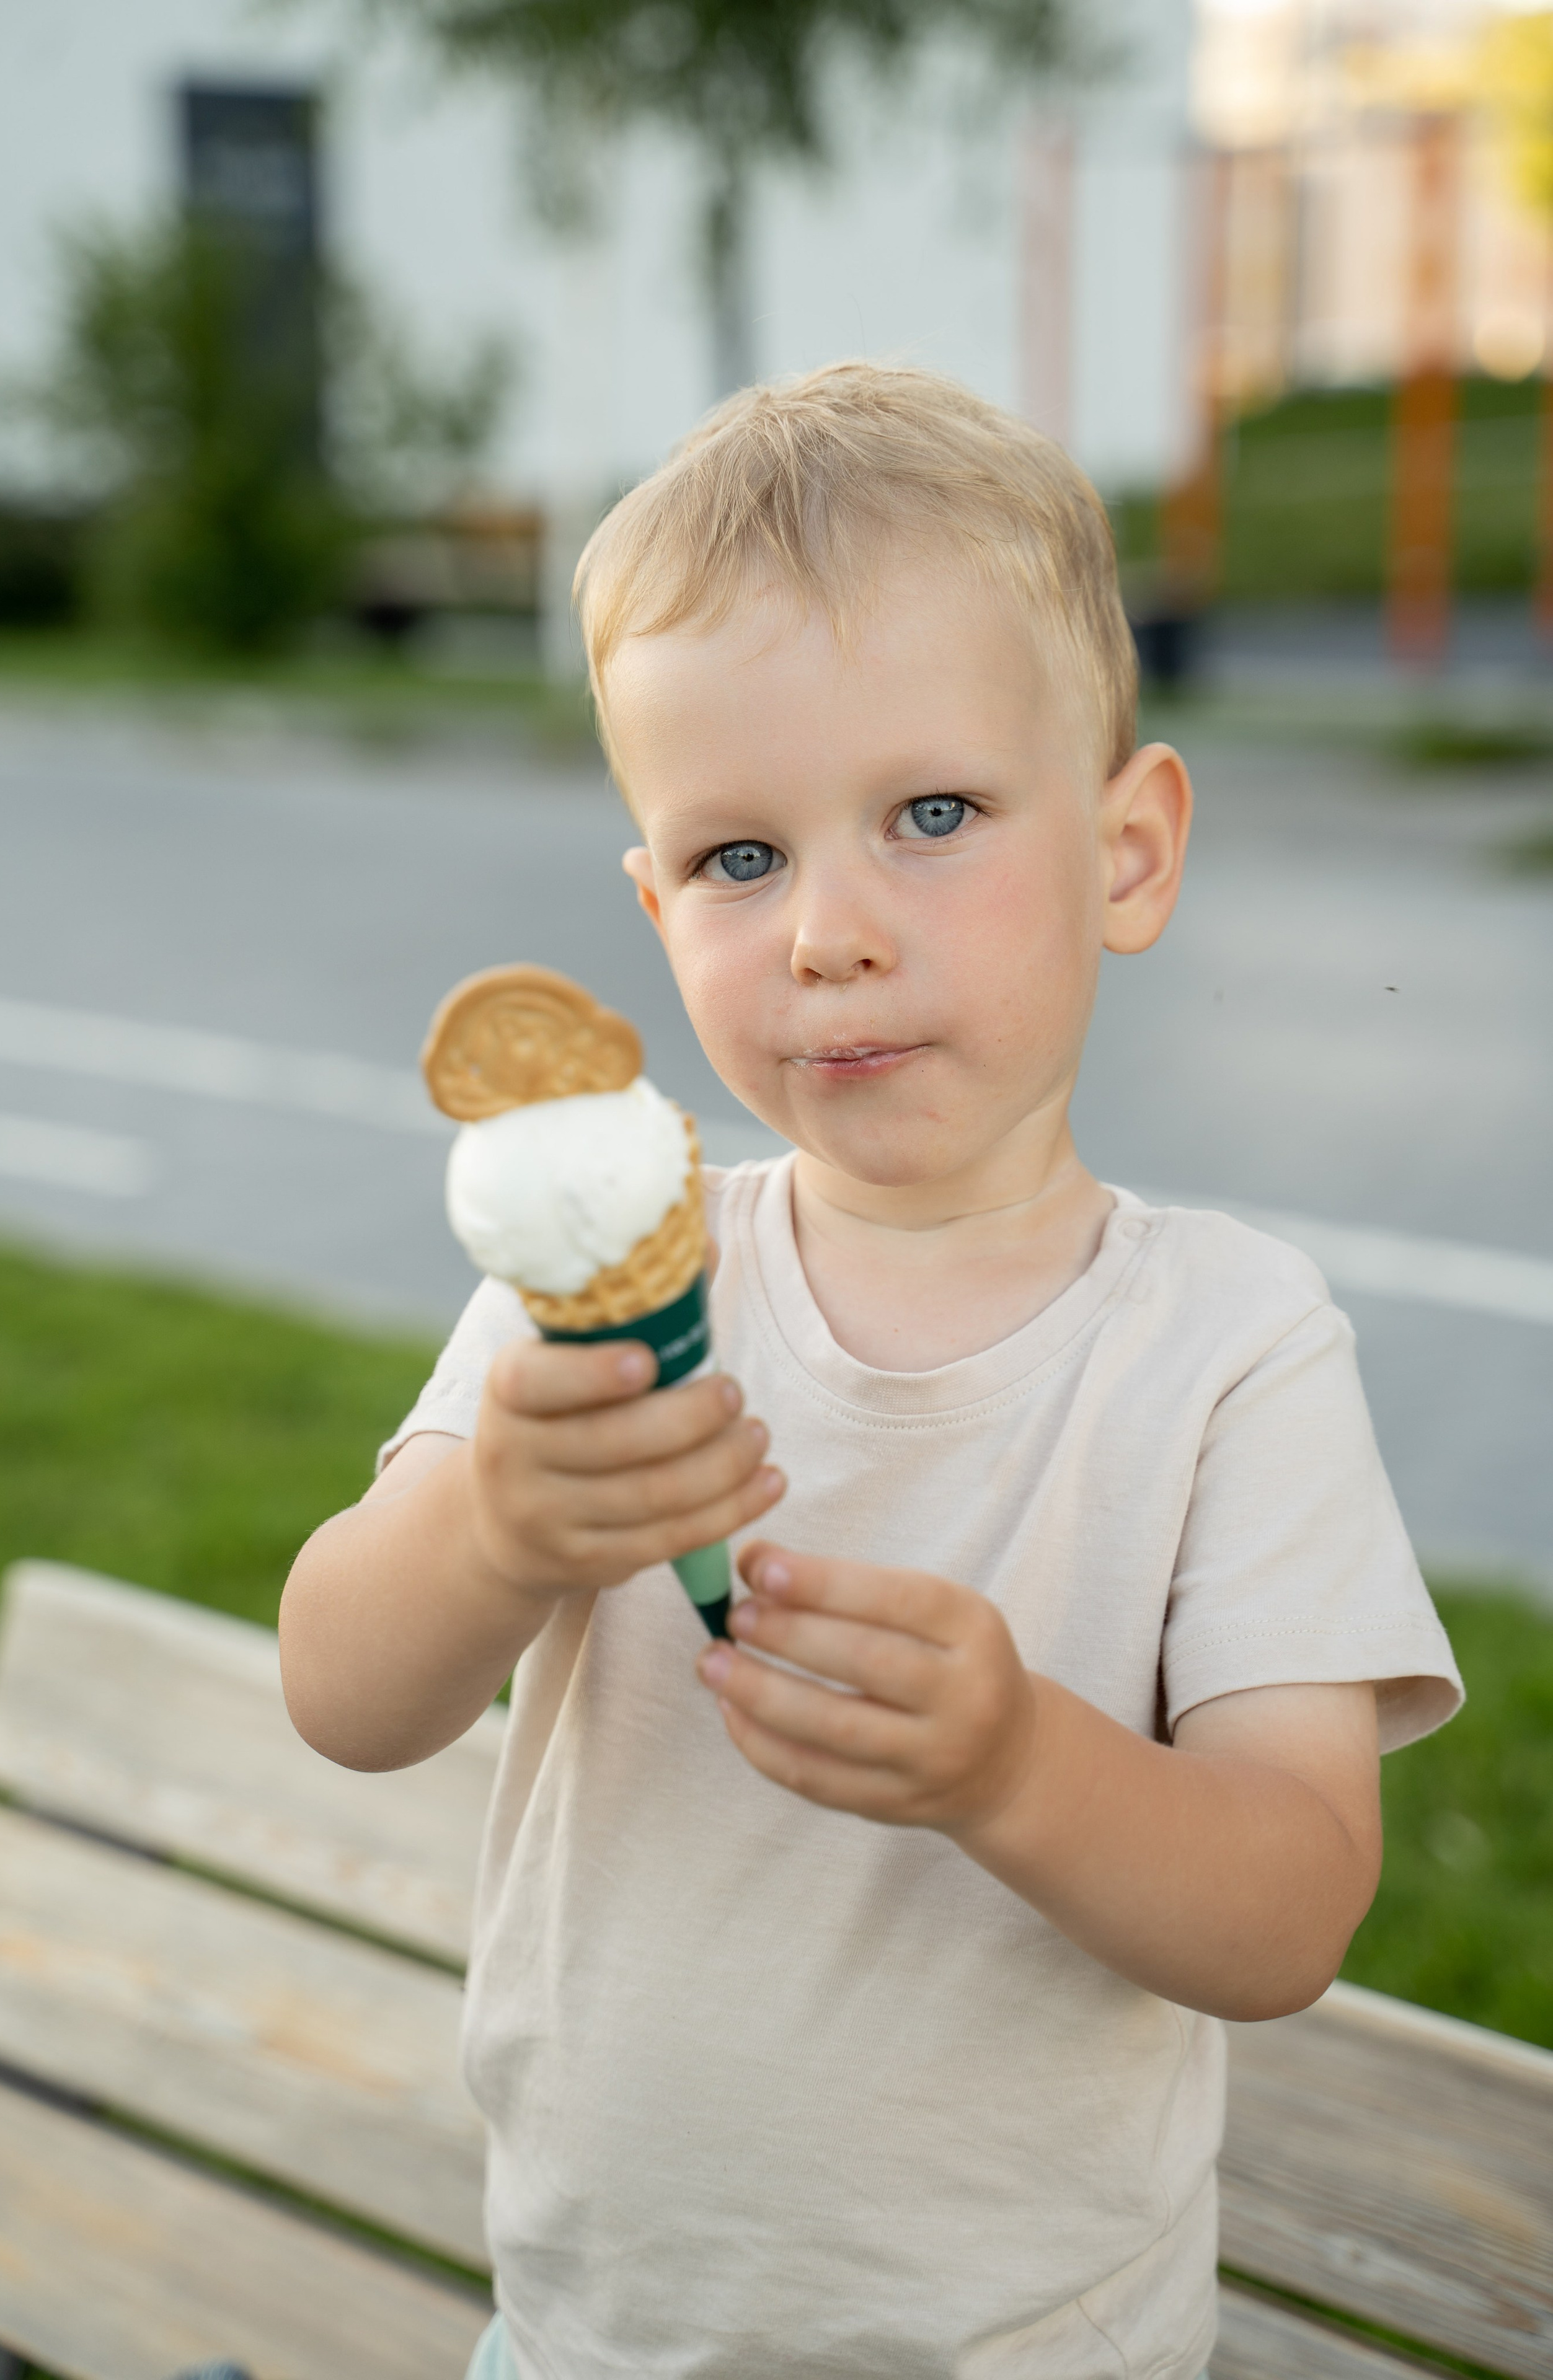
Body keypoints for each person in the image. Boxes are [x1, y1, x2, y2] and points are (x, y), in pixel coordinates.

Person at [280, 363, 1461, 2380]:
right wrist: (495, 1523)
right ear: (655, 912)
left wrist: (1019, 1768)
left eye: (931, 817)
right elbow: (344, 1694)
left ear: (1128, 850)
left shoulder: (1226, 1352)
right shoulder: (602, 1285)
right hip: (587, 2340)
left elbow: (1288, 1914)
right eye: (738, 860)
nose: (827, 930)